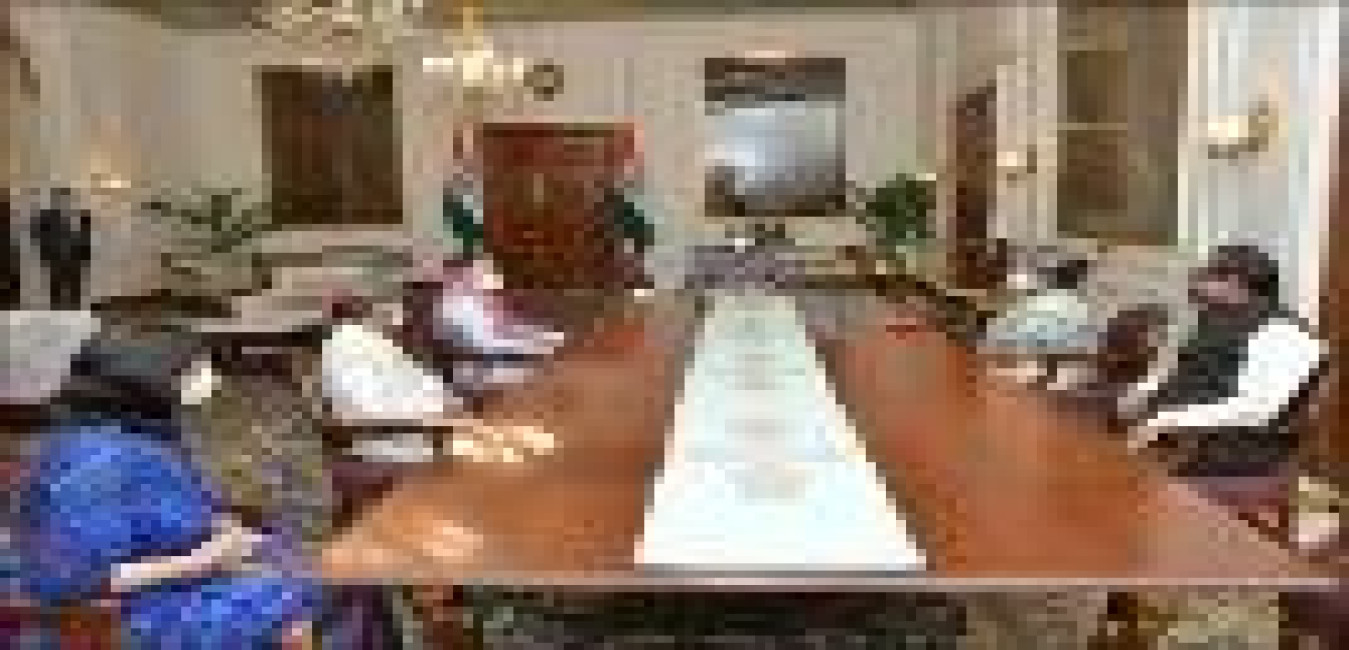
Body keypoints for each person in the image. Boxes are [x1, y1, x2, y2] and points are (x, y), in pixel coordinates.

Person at [13, 321, 318, 649]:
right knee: (302, 586)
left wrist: (220, 530)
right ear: (144, 381)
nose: (207, 379)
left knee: (292, 560)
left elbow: (150, 514)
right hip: (126, 620)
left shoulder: (127, 435)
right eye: (189, 371)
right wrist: (208, 559)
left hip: (161, 590)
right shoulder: (97, 460)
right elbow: (75, 580)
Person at [1120, 244, 1327, 524]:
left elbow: (1256, 409)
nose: (1196, 280)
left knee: (1119, 492)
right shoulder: (1215, 319)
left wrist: (1166, 420)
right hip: (1174, 437)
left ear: (1234, 282)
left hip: (1232, 452)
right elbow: (1186, 370)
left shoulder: (1284, 333)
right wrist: (1145, 390)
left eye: (1206, 274)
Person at [982, 256, 1100, 385]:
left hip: (1048, 323)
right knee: (1051, 348)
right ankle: (1048, 372)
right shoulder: (1073, 300)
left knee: (1047, 346)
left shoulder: (1054, 296)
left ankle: (1046, 372)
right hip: (1055, 325)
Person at [29, 187, 93, 309]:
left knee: (69, 286)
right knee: (60, 286)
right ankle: (62, 307)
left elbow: (85, 236)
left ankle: (69, 307)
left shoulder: (78, 216)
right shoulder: (47, 217)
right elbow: (40, 236)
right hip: (60, 256)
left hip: (70, 256)